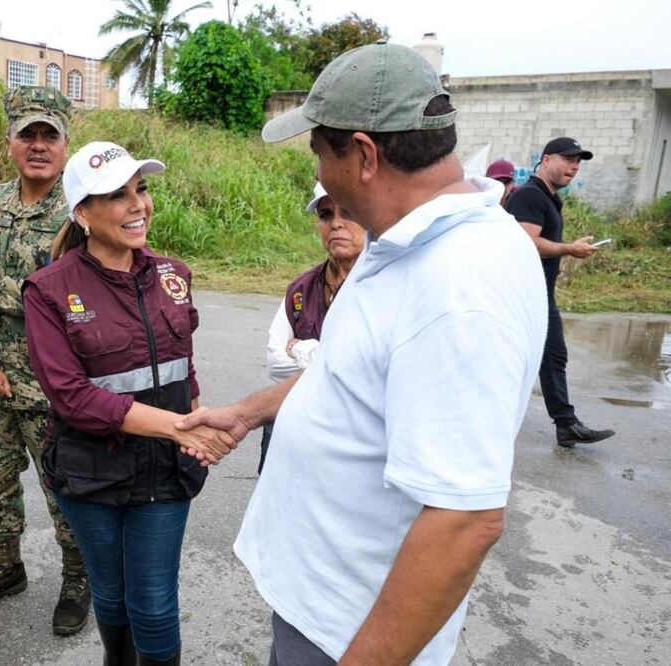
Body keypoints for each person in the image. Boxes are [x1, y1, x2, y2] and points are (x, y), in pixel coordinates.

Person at [178, 42, 548, 665]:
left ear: (365, 155)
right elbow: (353, 374)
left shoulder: (460, 286)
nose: (317, 170)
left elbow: (464, 521)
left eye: (319, 150)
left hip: (351, 630)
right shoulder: (403, 243)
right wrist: (253, 410)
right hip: (322, 601)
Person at [22, 141, 229, 666]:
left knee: (155, 605)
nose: (137, 205)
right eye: (116, 195)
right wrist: (180, 427)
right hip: (90, 471)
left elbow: (185, 362)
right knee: (110, 595)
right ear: (82, 214)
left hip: (164, 473)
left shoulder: (173, 276)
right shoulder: (48, 290)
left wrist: (195, 421)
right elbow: (70, 396)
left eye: (141, 189)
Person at [0, 85, 90, 635]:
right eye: (26, 134)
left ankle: (80, 580)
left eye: (48, 136)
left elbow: (67, 297)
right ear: (10, 142)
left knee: (68, 496)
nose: (37, 145)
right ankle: (5, 569)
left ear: (65, 143)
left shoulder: (81, 213)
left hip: (58, 388)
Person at [506, 138, 614, 448]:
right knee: (542, 356)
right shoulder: (529, 195)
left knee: (552, 356)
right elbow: (527, 242)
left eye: (578, 161)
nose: (574, 166)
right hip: (525, 295)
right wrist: (568, 248)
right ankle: (565, 423)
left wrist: (568, 245)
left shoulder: (548, 197)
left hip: (539, 294)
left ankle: (566, 424)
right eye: (568, 159)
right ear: (547, 159)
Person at [259, 182, 366, 473]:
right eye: (326, 215)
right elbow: (274, 363)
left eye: (348, 212)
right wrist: (324, 358)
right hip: (292, 423)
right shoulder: (302, 289)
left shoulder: (382, 285)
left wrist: (303, 348)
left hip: (354, 437)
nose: (336, 224)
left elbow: (364, 370)